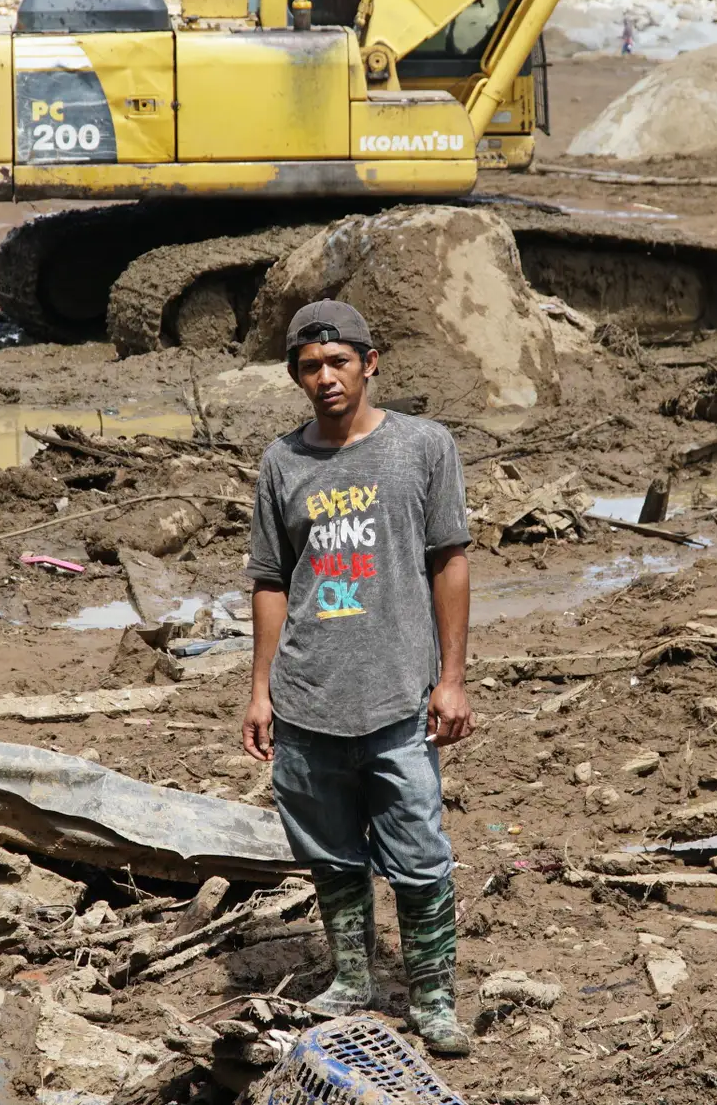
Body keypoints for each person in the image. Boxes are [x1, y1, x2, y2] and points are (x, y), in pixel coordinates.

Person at [240, 300, 474, 1058]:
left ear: (369, 364)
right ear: (295, 377)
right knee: (330, 850)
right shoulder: (283, 462)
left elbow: (450, 561)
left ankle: (433, 996)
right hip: (309, 697)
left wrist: (453, 678)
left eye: (339, 362)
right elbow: (272, 580)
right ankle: (352, 976)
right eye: (310, 367)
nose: (326, 377)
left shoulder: (422, 447)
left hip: (398, 695)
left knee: (418, 852)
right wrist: (261, 689)